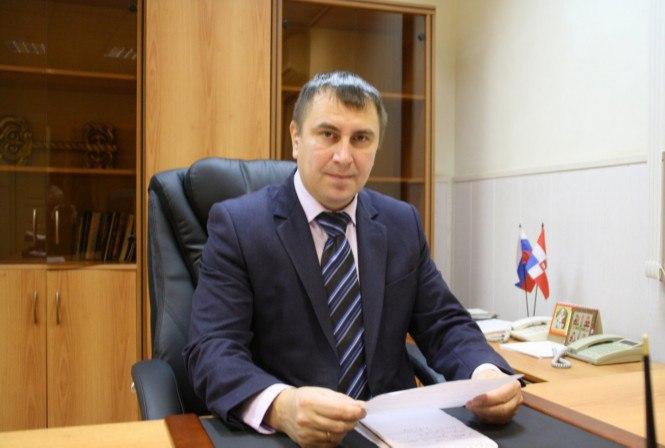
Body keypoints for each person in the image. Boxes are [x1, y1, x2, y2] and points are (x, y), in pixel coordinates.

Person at [184, 71, 522, 447]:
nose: (344, 157)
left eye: (361, 138)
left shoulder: (401, 223)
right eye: (328, 134)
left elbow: (443, 323)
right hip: (290, 436)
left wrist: (484, 371)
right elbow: (212, 349)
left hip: (395, 434)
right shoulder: (240, 226)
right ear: (296, 138)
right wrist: (281, 406)